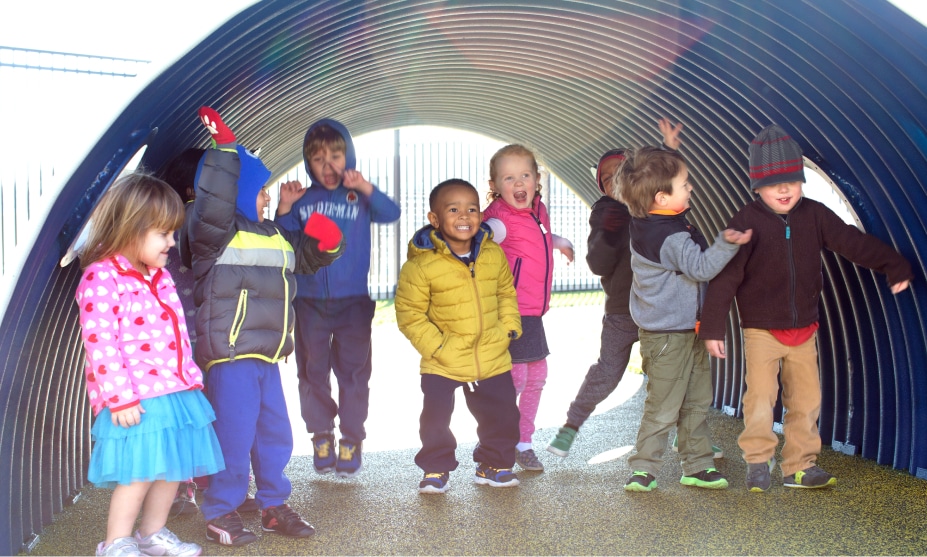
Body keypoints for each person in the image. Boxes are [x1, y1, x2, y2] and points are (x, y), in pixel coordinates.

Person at [700, 124, 913, 492]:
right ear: (757, 187)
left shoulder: (814, 215)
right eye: (773, 184)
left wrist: (894, 265)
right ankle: (758, 461)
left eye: (792, 181)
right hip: (762, 330)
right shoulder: (747, 222)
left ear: (801, 181)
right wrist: (714, 326)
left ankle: (799, 466)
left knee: (807, 399)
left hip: (805, 330)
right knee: (761, 397)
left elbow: (852, 243)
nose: (784, 190)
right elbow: (725, 277)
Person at [182, 107, 344, 546]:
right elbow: (214, 199)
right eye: (261, 191)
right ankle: (221, 510)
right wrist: (227, 153)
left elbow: (306, 258)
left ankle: (273, 504)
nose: (268, 199)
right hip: (230, 356)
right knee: (233, 438)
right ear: (237, 192)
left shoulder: (273, 234)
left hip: (269, 356)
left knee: (275, 434)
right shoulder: (214, 233)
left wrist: (328, 242)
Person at [547, 119, 729, 459]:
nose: (614, 182)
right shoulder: (606, 214)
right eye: (606, 179)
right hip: (622, 312)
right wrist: (609, 234)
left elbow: (664, 178)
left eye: (622, 174)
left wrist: (669, 149)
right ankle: (570, 427)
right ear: (601, 188)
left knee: (675, 376)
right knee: (608, 372)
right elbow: (598, 264)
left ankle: (687, 438)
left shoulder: (654, 213)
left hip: (660, 314)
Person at [75, 172, 224, 556]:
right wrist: (119, 397)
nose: (172, 243)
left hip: (173, 390)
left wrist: (188, 377)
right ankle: (115, 543)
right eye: (164, 234)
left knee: (172, 469)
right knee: (138, 473)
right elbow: (100, 342)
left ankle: (152, 534)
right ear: (132, 228)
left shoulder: (158, 276)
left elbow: (176, 330)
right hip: (137, 397)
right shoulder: (102, 278)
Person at [618, 146, 752, 492]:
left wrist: (668, 150)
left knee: (696, 399)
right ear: (661, 197)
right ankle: (643, 468)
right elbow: (702, 267)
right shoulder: (670, 236)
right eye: (685, 183)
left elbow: (653, 185)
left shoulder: (649, 219)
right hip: (668, 336)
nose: (691, 187)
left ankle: (698, 465)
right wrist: (727, 242)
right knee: (665, 405)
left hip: (684, 330)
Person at [275, 118, 401, 479]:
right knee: (312, 371)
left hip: (353, 302)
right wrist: (284, 208)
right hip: (309, 301)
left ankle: (351, 437)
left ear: (349, 157)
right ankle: (321, 434)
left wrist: (365, 187)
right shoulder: (303, 200)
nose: (328, 166)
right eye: (318, 159)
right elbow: (284, 242)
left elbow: (391, 213)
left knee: (354, 371)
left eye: (336, 156)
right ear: (307, 162)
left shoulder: (358, 196)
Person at [395, 179, 523, 494]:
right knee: (436, 419)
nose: (464, 216)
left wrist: (508, 327)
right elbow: (410, 314)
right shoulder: (421, 264)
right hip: (443, 359)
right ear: (435, 219)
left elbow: (506, 292)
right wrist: (438, 346)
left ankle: (494, 464)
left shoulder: (492, 253)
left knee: (503, 414)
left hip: (491, 355)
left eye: (472, 209)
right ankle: (435, 467)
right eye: (454, 209)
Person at [157, 148, 261, 516]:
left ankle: (190, 486)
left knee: (199, 414)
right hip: (200, 339)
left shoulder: (196, 225)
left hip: (192, 339)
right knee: (220, 414)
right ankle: (209, 486)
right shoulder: (193, 223)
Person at [481, 144, 574, 472]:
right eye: (509, 178)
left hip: (532, 312)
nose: (518, 183)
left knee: (536, 377)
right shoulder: (498, 219)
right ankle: (495, 438)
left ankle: (522, 442)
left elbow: (535, 240)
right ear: (494, 185)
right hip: (510, 311)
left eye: (525, 175)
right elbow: (481, 236)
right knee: (516, 378)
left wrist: (558, 242)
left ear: (537, 179)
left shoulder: (538, 210)